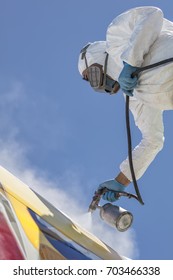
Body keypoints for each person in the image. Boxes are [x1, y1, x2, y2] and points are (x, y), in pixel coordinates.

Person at [78, 6, 173, 202]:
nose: (101, 84)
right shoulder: (135, 97)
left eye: (94, 76)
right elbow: (152, 141)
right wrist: (121, 180)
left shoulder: (116, 38)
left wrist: (131, 62)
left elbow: (153, 15)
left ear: (98, 58)